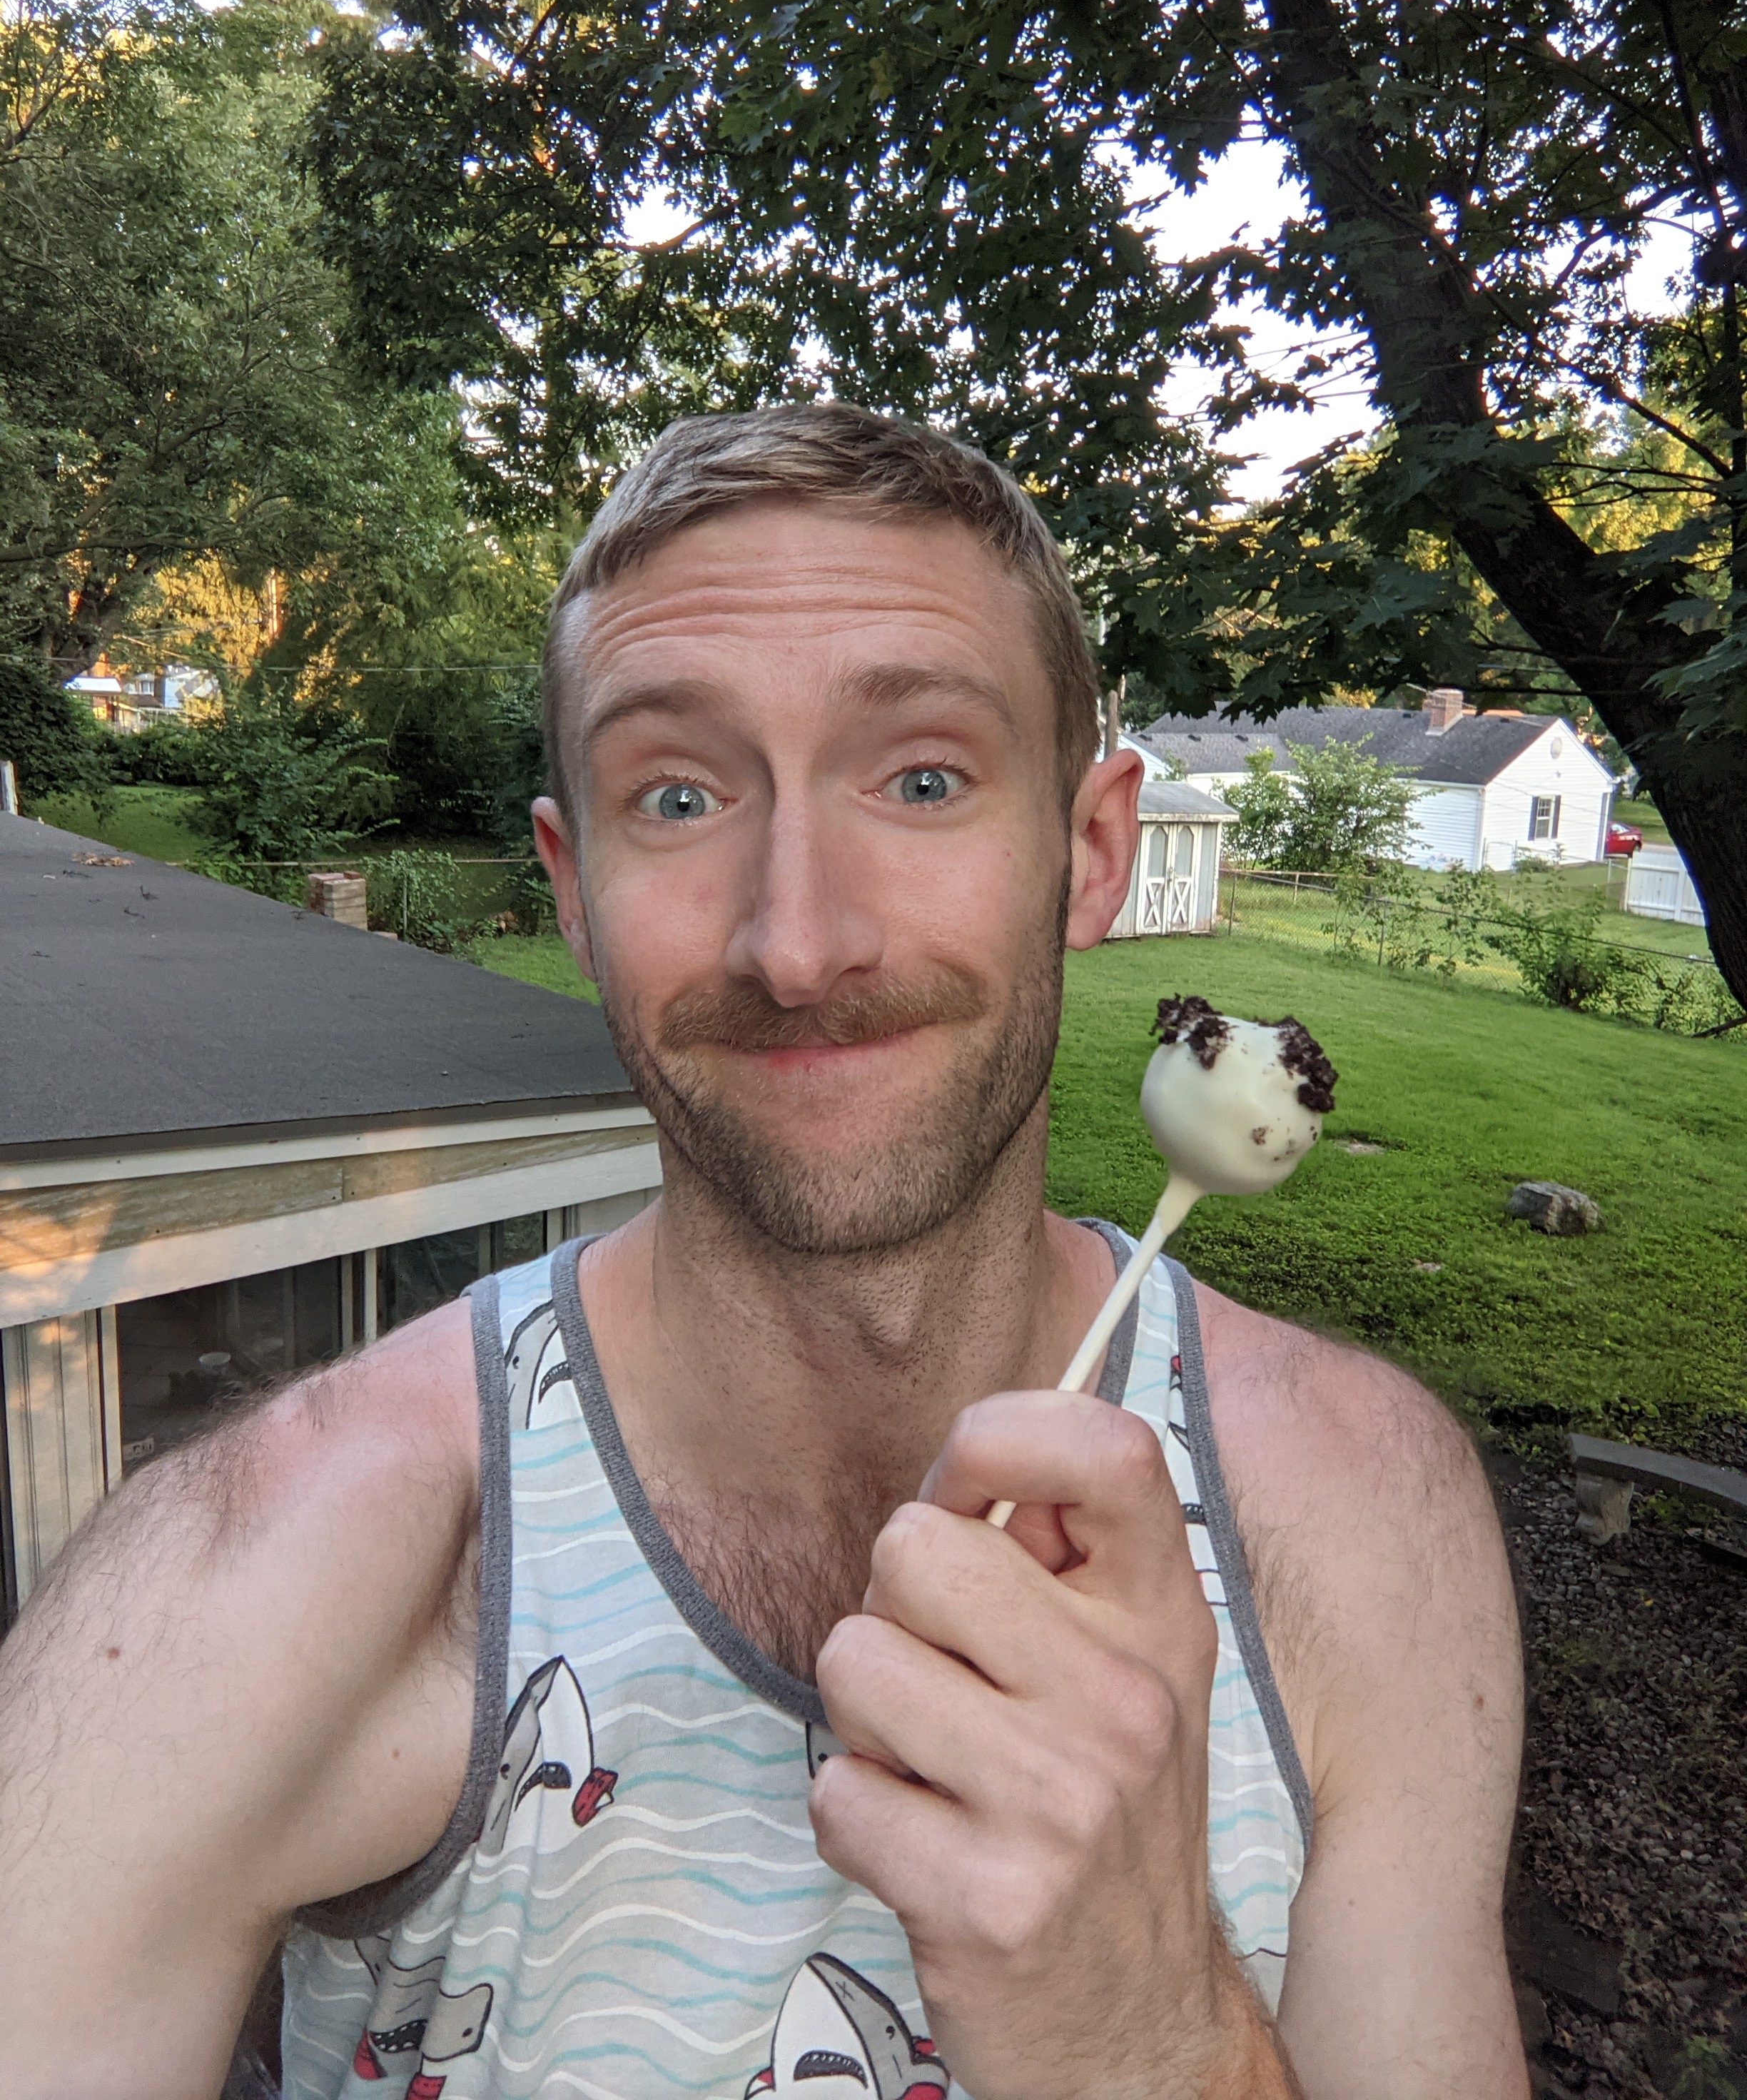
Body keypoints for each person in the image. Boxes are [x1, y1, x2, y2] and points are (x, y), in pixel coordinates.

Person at [0, 405, 1526, 2100]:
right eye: (679, 792)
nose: (799, 941)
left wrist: (1146, 2033)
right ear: (574, 891)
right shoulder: (257, 1580)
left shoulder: (1365, 1522)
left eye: (926, 778)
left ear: (1090, 853)